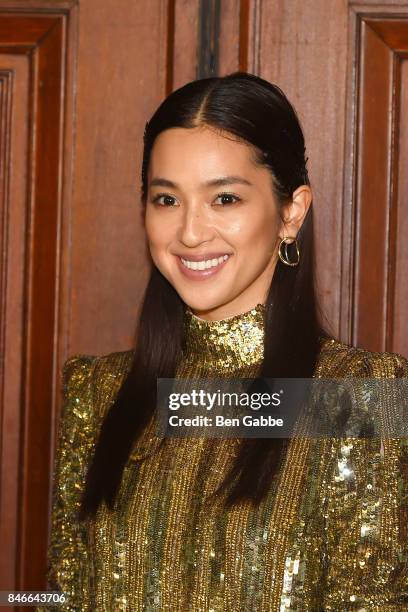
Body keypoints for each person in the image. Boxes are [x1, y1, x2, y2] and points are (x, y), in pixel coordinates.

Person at [39, 72, 408, 611]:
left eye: (225, 198)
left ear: (291, 212)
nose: (189, 232)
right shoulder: (96, 393)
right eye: (166, 199)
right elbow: (62, 596)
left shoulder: (360, 398)